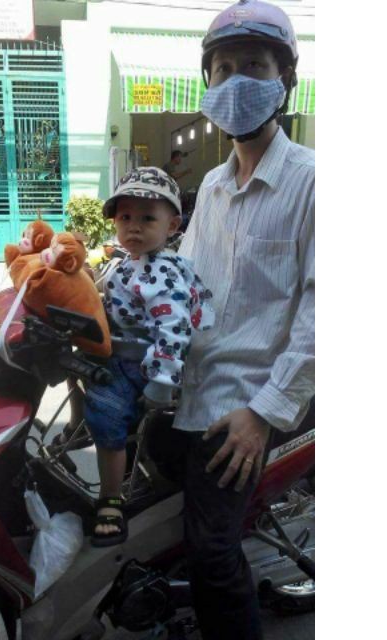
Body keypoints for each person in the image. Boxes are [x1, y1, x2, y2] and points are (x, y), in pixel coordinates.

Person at [171, 2, 315, 639]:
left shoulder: (313, 183)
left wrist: (263, 413)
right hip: (192, 387)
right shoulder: (210, 185)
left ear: (285, 80)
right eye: (222, 69)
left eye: (253, 66)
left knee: (211, 552)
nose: (235, 83)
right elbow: (184, 281)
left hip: (249, 401)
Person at [84, 167, 215, 547]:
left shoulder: (162, 272)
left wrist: (160, 381)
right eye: (125, 217)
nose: (134, 227)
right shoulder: (128, 262)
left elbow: (173, 329)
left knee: (106, 411)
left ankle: (110, 499)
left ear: (172, 225)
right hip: (128, 352)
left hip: (145, 363)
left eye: (147, 219)